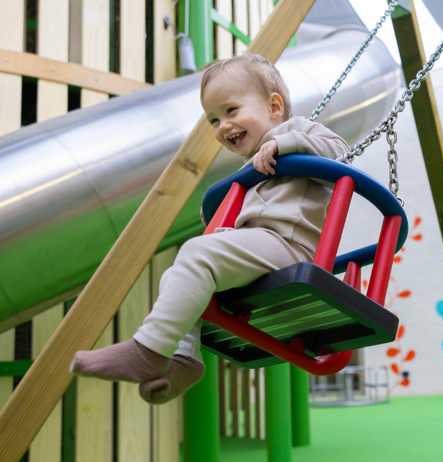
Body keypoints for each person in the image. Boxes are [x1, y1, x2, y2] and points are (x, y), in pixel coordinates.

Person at [70, 53, 350, 405]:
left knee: (196, 252)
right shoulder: (254, 166)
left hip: (289, 248)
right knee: (175, 274)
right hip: (263, 247)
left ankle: (147, 349)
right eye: (213, 119)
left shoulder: (298, 133)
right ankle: (183, 359)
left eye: (231, 111)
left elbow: (340, 151)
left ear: (274, 106)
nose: (222, 126)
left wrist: (285, 144)